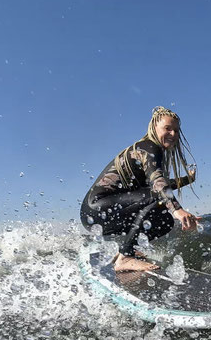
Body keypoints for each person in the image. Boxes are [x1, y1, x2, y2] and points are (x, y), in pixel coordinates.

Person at [80, 106, 201, 272]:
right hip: (96, 209)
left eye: (176, 130)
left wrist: (188, 179)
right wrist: (178, 210)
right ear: (154, 127)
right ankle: (125, 257)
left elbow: (157, 186)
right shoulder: (150, 147)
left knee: (164, 221)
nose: (173, 134)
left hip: (100, 215)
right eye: (167, 128)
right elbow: (158, 186)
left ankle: (123, 251)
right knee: (162, 202)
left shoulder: (149, 150)